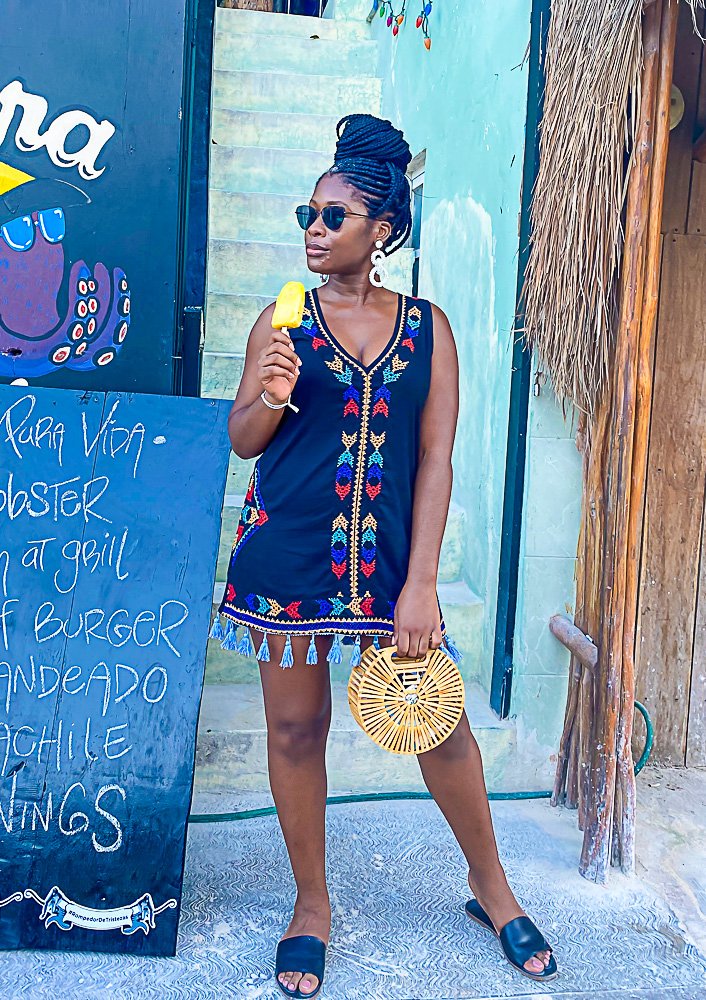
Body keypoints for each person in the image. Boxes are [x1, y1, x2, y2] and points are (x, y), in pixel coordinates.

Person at [210, 113, 558, 997]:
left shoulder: (427, 328)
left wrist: (423, 582)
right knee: (296, 730)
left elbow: (437, 459)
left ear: (383, 232)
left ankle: (492, 887)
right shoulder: (281, 323)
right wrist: (273, 394)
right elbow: (243, 439)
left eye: (333, 216)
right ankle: (312, 905)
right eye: (307, 215)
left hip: (393, 565)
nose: (314, 231)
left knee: (438, 726)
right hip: (286, 558)